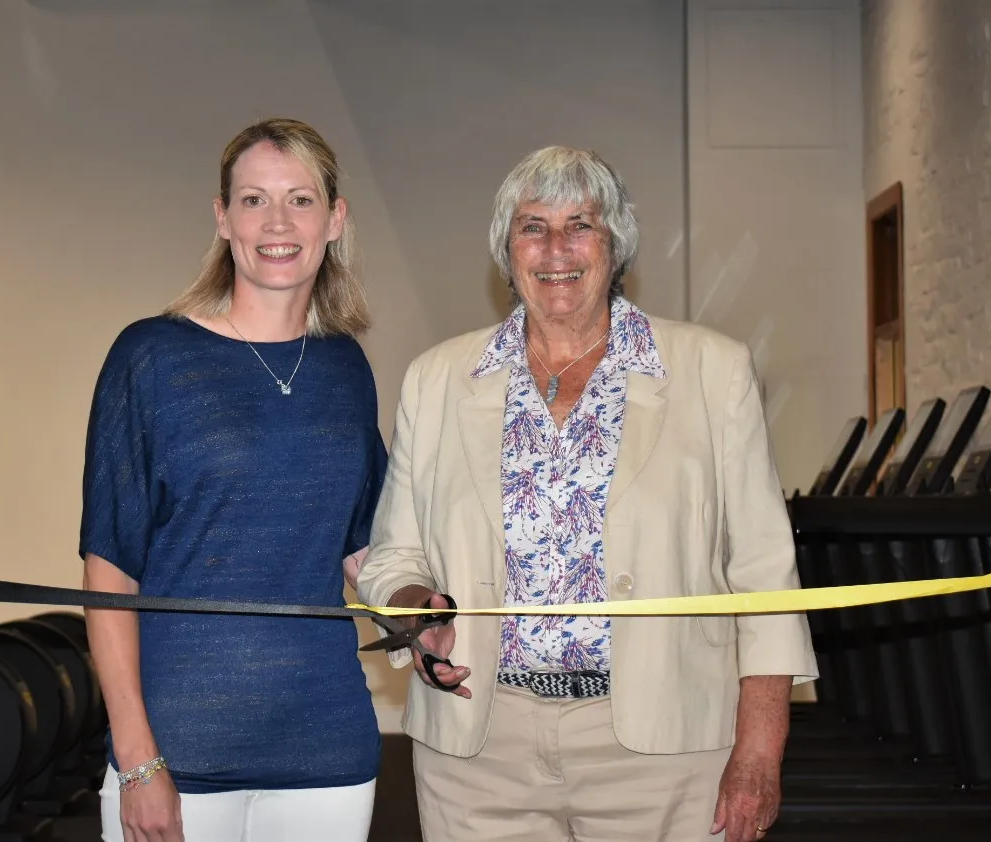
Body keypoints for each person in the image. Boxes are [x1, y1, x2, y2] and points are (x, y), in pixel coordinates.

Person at [357, 145, 818, 842]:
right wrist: (416, 611)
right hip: (480, 748)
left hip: (663, 749)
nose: (555, 249)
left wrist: (758, 751)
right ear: (505, 249)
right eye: (532, 226)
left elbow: (763, 575)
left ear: (616, 243)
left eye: (581, 225)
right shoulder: (436, 378)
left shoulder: (711, 371)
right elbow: (394, 555)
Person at [80, 117, 386, 842]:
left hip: (327, 747)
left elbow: (361, 549)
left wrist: (418, 613)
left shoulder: (346, 368)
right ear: (223, 218)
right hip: (179, 752)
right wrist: (138, 763)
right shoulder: (150, 357)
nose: (277, 222)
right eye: (253, 200)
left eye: (300, 200)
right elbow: (107, 572)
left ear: (335, 219)